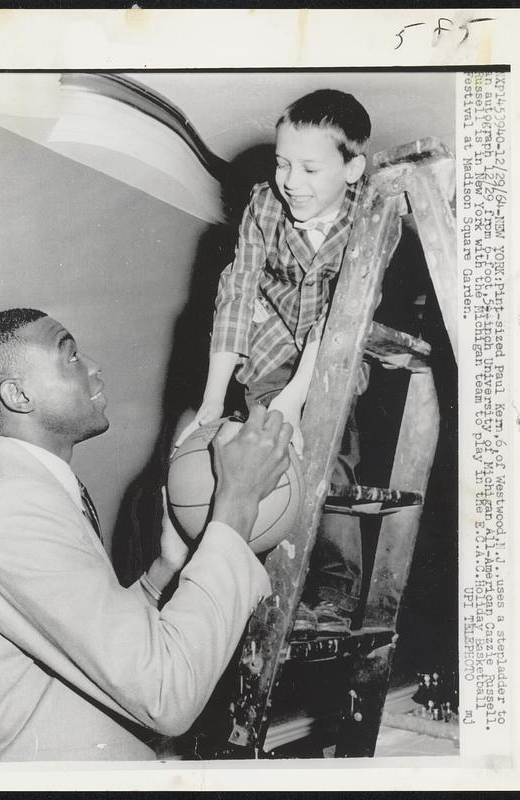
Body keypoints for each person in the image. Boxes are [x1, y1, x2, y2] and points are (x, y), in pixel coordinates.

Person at [0, 308, 292, 762]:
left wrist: (163, 572)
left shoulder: (8, 489)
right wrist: (236, 506)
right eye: (69, 356)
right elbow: (167, 693)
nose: (93, 366)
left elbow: (84, 641)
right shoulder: (11, 507)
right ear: (17, 394)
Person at [179, 89, 372, 634]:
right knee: (264, 466)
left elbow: (335, 322)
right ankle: (258, 584)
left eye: (311, 168)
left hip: (334, 354)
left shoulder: (368, 219)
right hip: (269, 347)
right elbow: (237, 291)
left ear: (352, 168)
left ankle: (336, 593)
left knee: (328, 462)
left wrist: (296, 404)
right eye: (284, 163)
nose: (292, 181)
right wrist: (213, 399)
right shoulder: (265, 203)